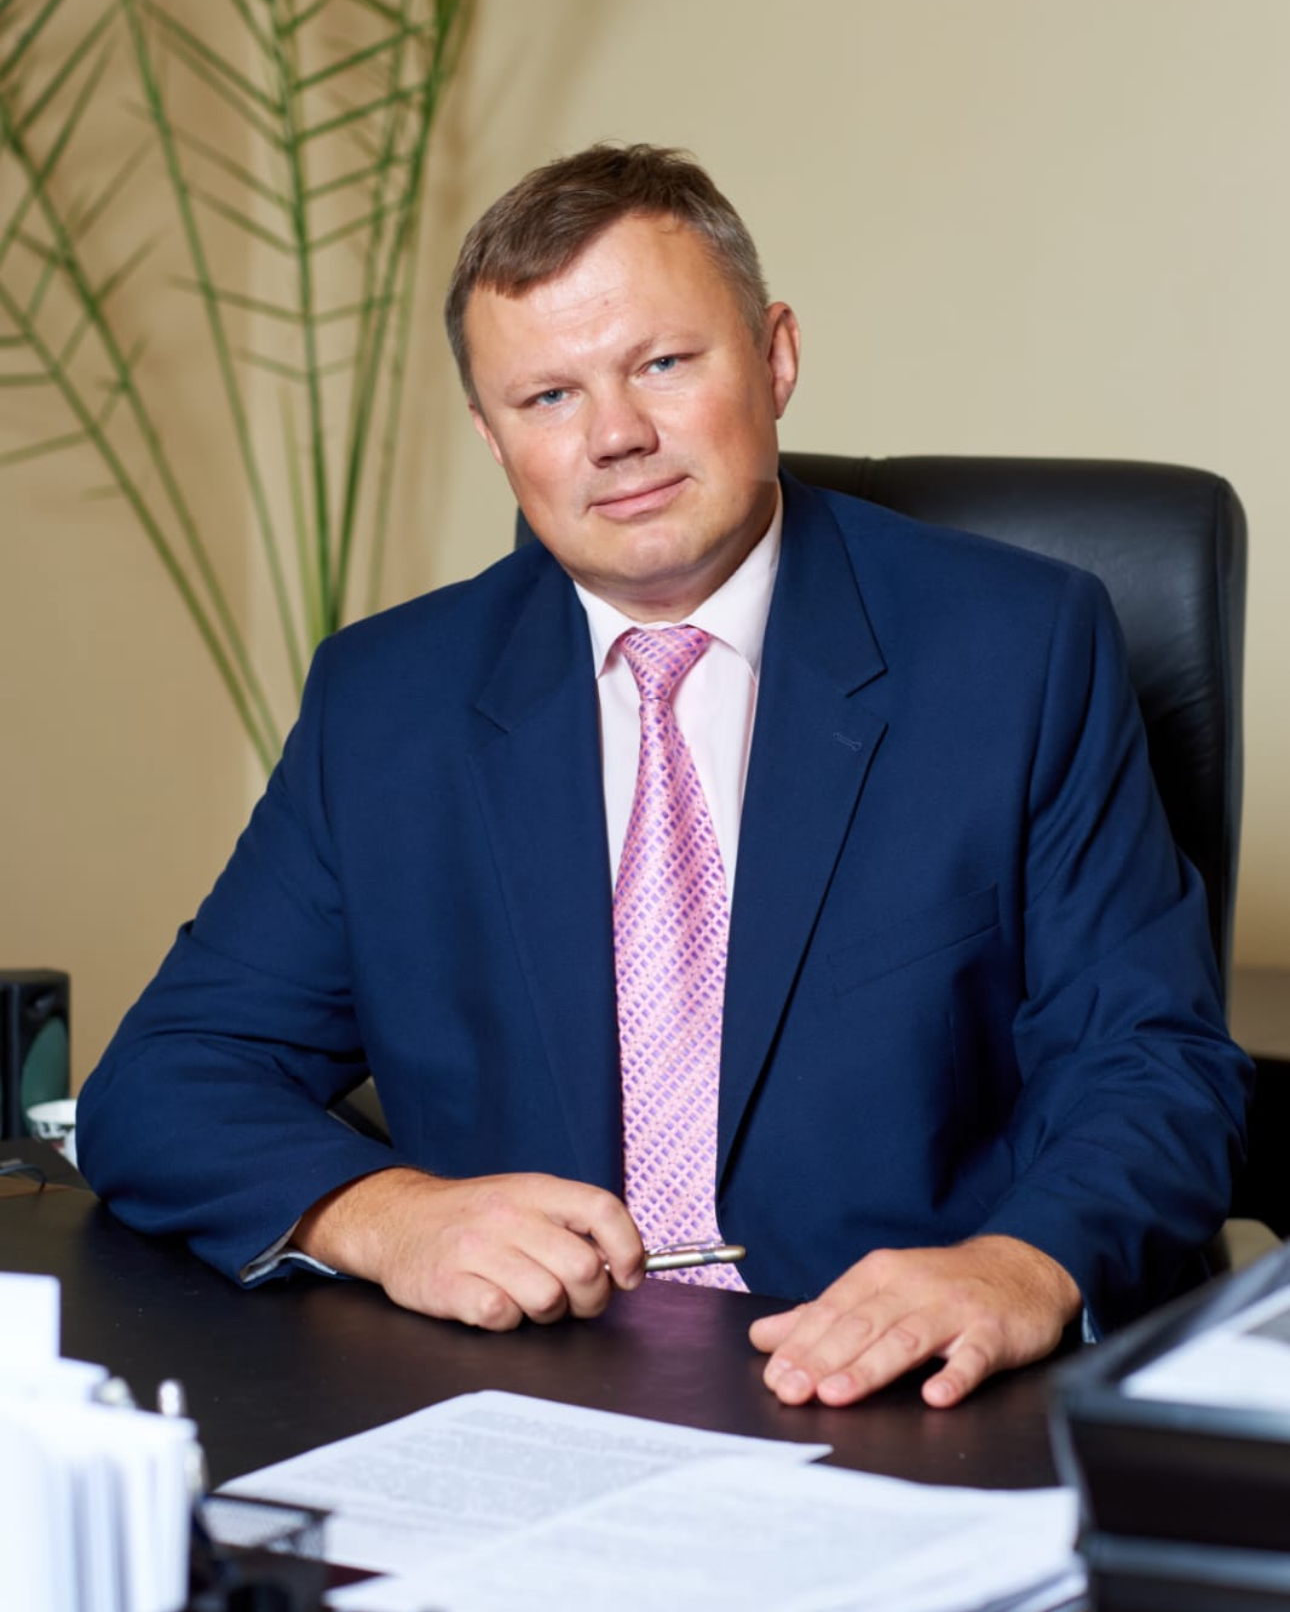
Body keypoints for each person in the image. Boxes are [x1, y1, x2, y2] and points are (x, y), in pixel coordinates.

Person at [78, 143, 1250, 1411]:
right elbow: (164, 1081)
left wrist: (1021, 1267)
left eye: (663, 365)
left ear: (776, 357)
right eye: (548, 397)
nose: (616, 437)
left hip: (895, 1395)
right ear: (492, 436)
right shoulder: (387, 702)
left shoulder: (1016, 650)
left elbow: (1151, 1061)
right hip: (520, 1400)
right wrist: (386, 1215)